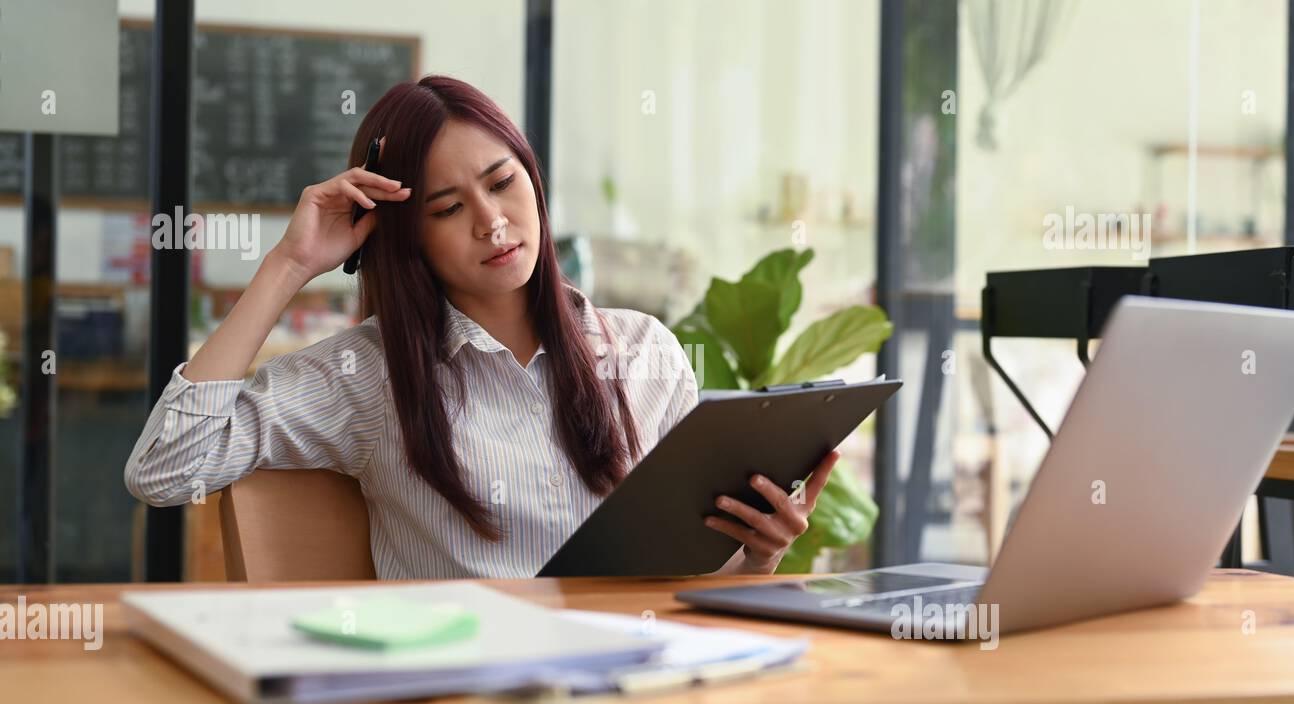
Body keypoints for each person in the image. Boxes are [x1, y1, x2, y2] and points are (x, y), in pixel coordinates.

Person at [124, 75, 838, 579]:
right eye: (446, 209)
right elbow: (166, 467)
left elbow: (699, 578)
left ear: (531, 178)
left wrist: (762, 552)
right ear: (407, 237)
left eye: (501, 183)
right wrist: (288, 263)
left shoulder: (644, 349)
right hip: (468, 699)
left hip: (639, 692)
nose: (492, 221)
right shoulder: (370, 379)